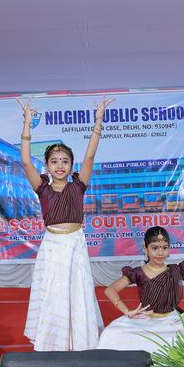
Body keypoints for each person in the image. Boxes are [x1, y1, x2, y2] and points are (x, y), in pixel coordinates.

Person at [19, 96, 113, 351]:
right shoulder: (42, 188)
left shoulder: (78, 186)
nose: (59, 165)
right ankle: (52, 344)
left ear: (71, 165)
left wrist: (98, 121)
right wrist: (27, 124)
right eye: (54, 161)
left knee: (78, 291)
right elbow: (26, 161)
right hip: (52, 246)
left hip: (75, 244)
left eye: (65, 161)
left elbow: (90, 156)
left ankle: (80, 343)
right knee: (54, 293)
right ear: (47, 166)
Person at [98, 227, 184, 362]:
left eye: (164, 248)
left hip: (172, 321)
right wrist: (127, 311)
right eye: (155, 248)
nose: (160, 253)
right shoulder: (137, 273)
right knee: (110, 334)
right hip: (145, 321)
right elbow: (110, 290)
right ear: (145, 248)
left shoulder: (176, 270)